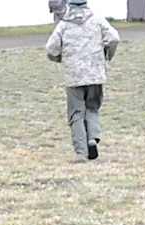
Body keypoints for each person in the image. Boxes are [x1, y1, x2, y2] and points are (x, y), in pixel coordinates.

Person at [45, 0, 118, 161]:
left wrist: (61, 58)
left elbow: (51, 49)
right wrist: (107, 55)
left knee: (76, 113)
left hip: (73, 76)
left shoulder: (63, 25)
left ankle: (81, 152)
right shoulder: (98, 20)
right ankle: (92, 138)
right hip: (95, 74)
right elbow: (113, 38)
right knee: (92, 108)